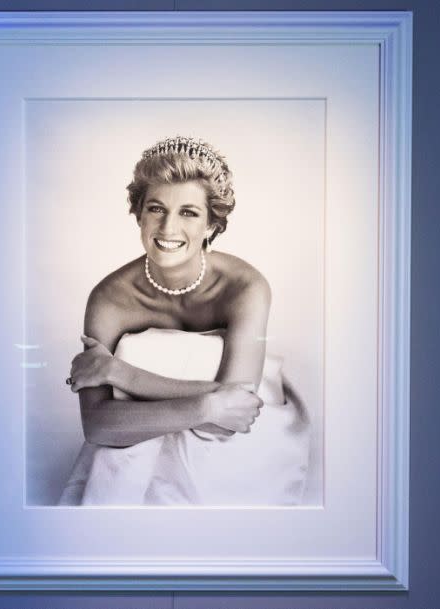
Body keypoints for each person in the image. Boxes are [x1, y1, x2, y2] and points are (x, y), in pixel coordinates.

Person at [59, 137, 312, 506]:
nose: (167, 228)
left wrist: (119, 373)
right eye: (156, 209)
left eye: (189, 213)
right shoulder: (109, 300)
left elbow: (239, 412)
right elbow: (97, 426)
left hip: (241, 448)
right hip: (137, 456)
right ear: (139, 214)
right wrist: (207, 406)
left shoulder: (246, 287)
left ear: (212, 224)